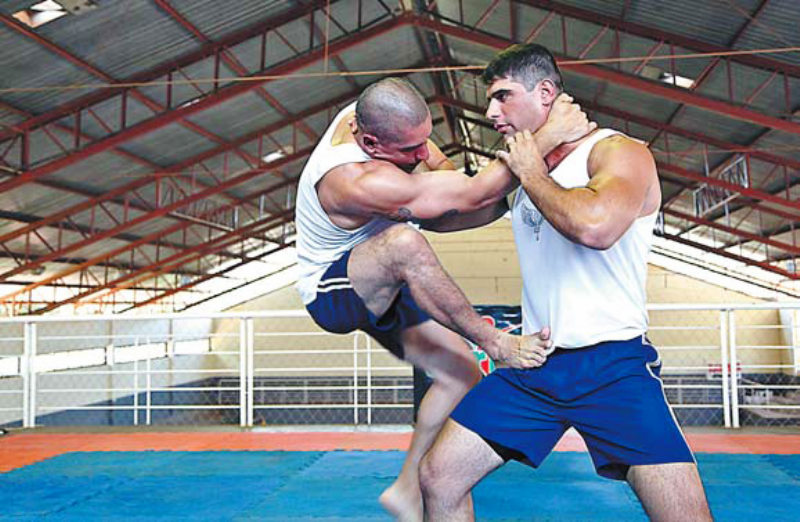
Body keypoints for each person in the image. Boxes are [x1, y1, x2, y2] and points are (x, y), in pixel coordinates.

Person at [419, 44, 713, 521]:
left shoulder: (619, 152)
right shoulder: (522, 174)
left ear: (546, 93)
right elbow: (450, 216)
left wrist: (530, 169)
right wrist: (421, 153)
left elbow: (595, 228)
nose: (492, 112)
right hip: (535, 365)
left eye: (503, 97)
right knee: (439, 477)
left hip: (612, 367)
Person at [294, 77, 591, 521]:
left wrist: (474, 189)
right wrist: (546, 136)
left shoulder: (372, 119)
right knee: (407, 242)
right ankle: (494, 343)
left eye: (422, 141)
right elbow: (471, 192)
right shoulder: (353, 180)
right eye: (409, 151)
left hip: (387, 276)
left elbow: (456, 187)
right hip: (335, 289)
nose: (420, 155)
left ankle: (407, 490)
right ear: (370, 142)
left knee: (459, 374)